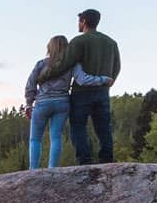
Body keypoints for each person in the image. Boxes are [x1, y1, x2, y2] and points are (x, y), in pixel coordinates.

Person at [43, 9, 122, 164]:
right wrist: (109, 82)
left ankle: (85, 161)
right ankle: (106, 159)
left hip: (81, 92)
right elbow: (117, 67)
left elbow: (64, 64)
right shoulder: (111, 43)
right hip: (103, 91)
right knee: (104, 127)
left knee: (78, 126)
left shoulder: (79, 41)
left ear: (84, 21)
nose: (78, 24)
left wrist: (43, 76)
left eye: (79, 21)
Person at [25, 36, 76, 168]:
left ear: (50, 47)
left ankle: (33, 170)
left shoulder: (41, 64)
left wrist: (29, 103)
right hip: (62, 102)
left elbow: (30, 84)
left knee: (35, 139)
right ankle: (52, 169)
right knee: (56, 137)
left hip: (42, 103)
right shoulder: (70, 65)